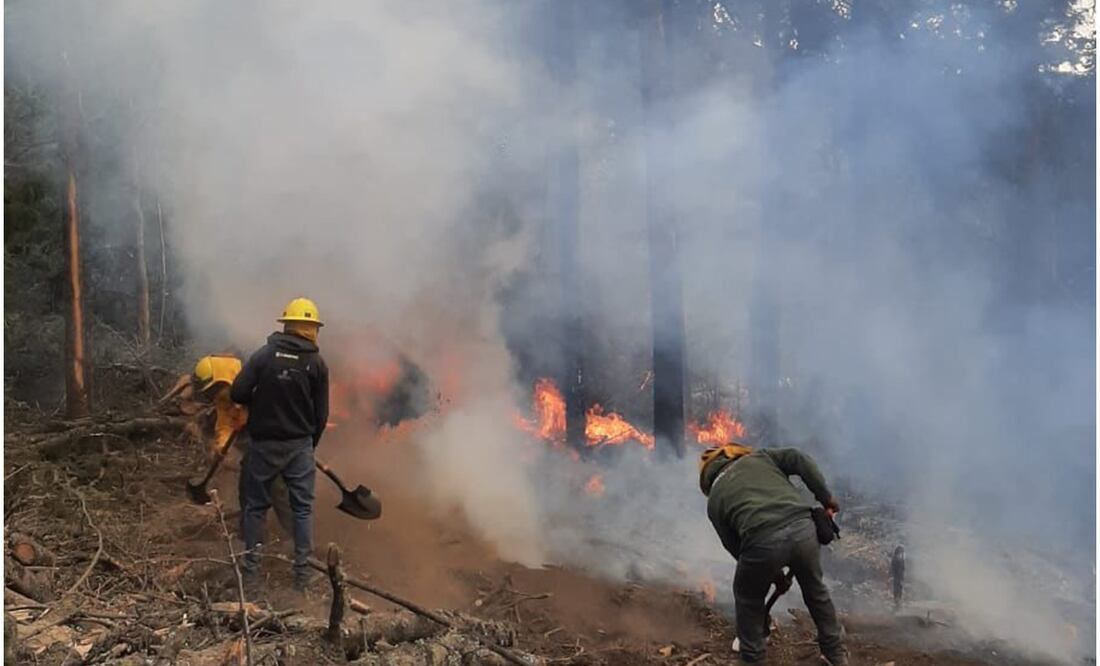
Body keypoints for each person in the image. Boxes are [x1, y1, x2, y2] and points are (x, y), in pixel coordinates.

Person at [699, 443, 848, 666]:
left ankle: (753, 659)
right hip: (803, 530)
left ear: (708, 478)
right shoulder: (761, 458)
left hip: (761, 542)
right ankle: (836, 655)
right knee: (816, 592)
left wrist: (775, 575)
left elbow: (737, 548)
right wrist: (826, 498)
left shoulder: (714, 501)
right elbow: (799, 459)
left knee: (748, 598)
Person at [231, 297, 329, 591]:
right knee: (301, 510)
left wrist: (260, 400)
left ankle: (249, 576)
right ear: (311, 328)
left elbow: (237, 392)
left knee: (255, 508)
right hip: (299, 446)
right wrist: (309, 445)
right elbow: (321, 414)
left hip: (263, 444)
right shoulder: (316, 364)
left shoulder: (264, 356)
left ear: (286, 324)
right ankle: (303, 577)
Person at [890, 545, 906, 611]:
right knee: (898, 591)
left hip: (898, 578)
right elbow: (897, 570)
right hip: (897, 578)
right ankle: (897, 605)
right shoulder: (896, 559)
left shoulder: (898, 559)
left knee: (898, 591)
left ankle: (898, 605)